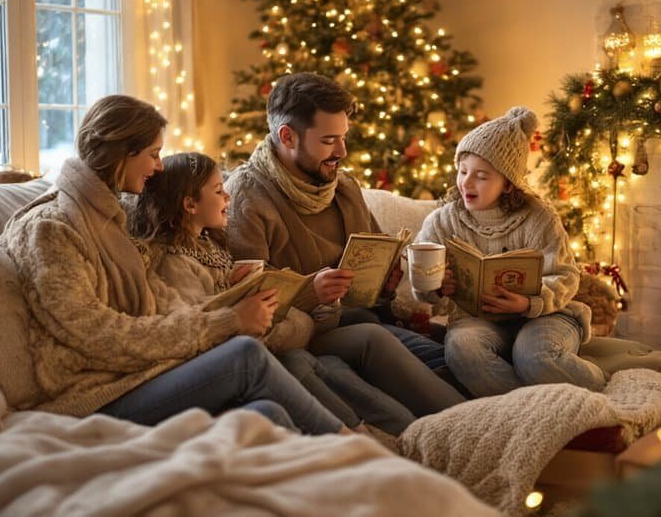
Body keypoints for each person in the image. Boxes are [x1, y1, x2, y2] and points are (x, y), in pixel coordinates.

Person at [0, 94, 347, 434]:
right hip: (91, 396)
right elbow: (95, 334)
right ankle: (356, 447)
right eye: (153, 154)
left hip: (138, 375)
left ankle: (336, 477)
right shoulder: (51, 228)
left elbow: (158, 298)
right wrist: (226, 323)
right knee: (245, 355)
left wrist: (230, 289)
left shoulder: (111, 218)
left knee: (266, 414)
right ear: (122, 153)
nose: (160, 166)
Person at [131, 151, 461, 432]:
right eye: (219, 191)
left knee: (432, 346)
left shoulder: (213, 245)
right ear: (189, 204)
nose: (227, 197)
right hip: (286, 337)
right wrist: (308, 298)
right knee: (336, 351)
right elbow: (215, 330)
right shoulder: (233, 215)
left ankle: (447, 420)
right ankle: (379, 434)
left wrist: (371, 287)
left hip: (311, 324)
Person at [224, 72, 447, 372]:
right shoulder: (245, 198)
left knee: (449, 357)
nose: (342, 152)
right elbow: (247, 302)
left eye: (344, 137)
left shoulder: (344, 187)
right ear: (287, 136)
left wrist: (384, 285)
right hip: (308, 338)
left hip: (363, 321)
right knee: (379, 341)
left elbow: (375, 272)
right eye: (329, 140)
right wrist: (310, 293)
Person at [412, 106, 607, 397]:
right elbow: (422, 288)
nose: (466, 182)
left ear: (507, 184)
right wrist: (438, 287)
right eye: (463, 171)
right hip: (476, 322)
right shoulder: (441, 221)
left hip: (546, 316)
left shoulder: (539, 217)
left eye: (481, 176)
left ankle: (600, 381)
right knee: (462, 350)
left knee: (535, 359)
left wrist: (528, 304)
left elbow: (566, 276)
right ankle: (530, 411)